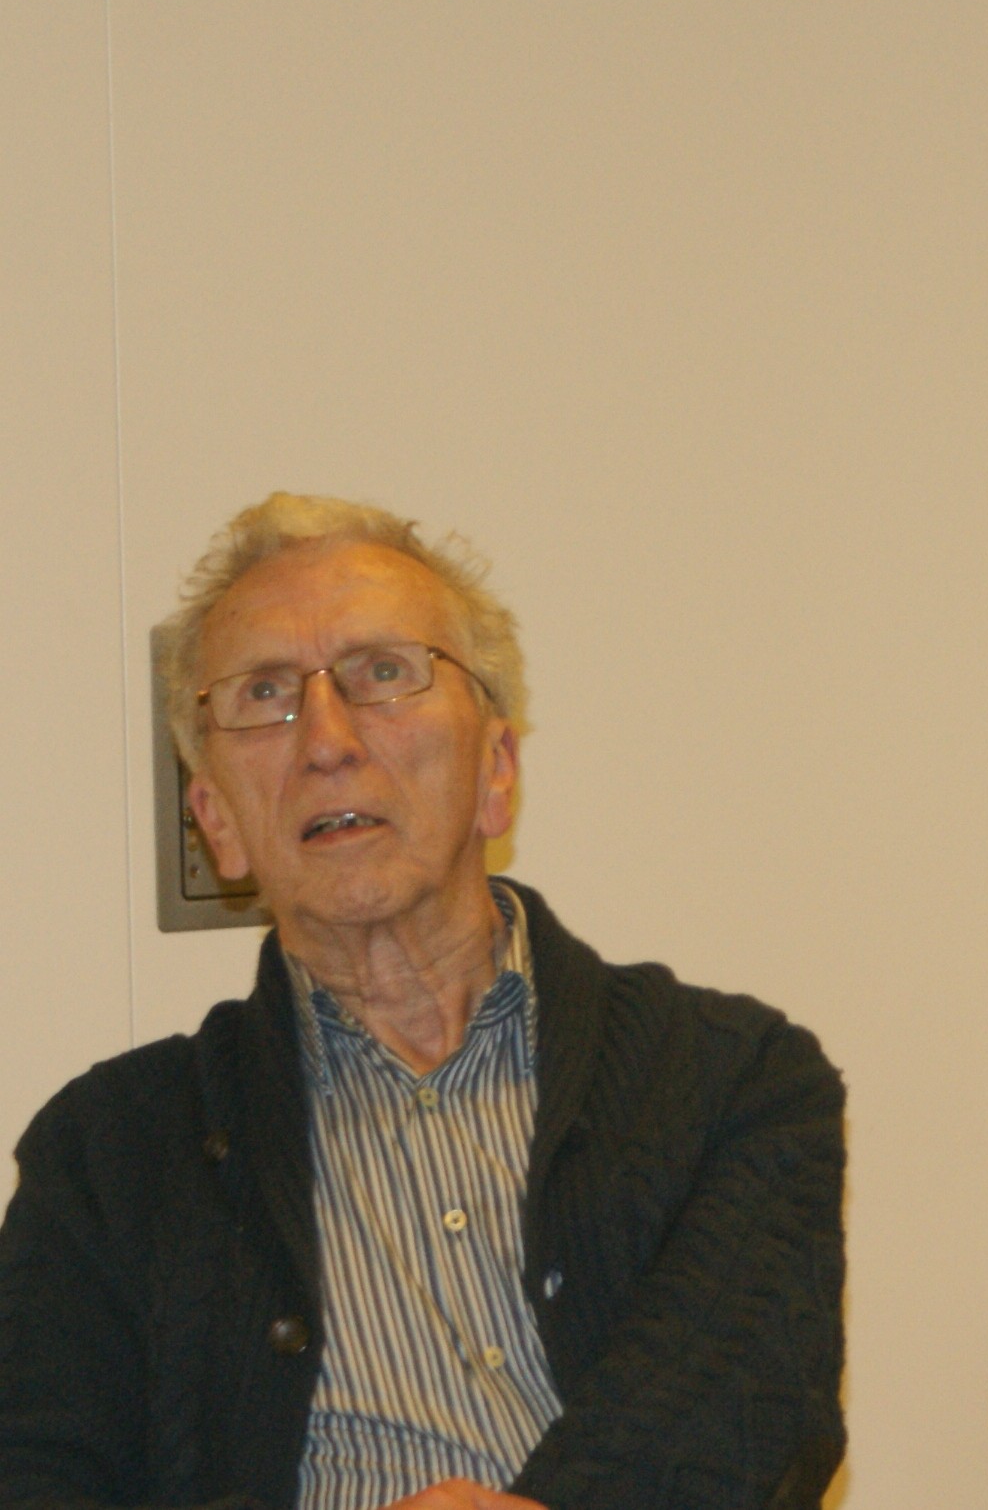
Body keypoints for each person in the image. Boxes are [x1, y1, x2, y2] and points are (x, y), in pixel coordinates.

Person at [0, 494, 845, 1510]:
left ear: (496, 769)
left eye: (384, 673)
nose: (327, 739)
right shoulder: (108, 1154)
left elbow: (748, 1424)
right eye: (265, 693)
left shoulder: (731, 1079)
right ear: (216, 820)